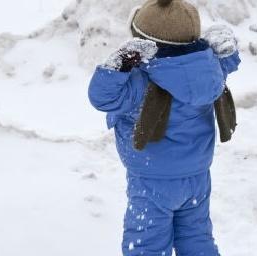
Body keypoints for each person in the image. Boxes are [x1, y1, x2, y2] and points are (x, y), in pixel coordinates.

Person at [87, 0, 241, 255]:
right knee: (196, 237)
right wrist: (227, 47)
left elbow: (102, 98)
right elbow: (229, 60)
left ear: (145, 43)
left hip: (151, 183)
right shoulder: (210, 70)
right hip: (197, 178)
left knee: (146, 245)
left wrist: (119, 64)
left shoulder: (140, 82)